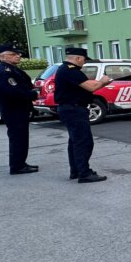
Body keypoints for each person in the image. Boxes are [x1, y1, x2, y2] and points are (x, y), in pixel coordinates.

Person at [54, 46, 112, 183]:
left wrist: (100, 83)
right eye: (84, 60)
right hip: (74, 110)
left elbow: (84, 86)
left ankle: (76, 170)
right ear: (78, 58)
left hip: (70, 108)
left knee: (75, 141)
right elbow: (91, 87)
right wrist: (103, 81)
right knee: (83, 142)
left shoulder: (66, 70)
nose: (84, 62)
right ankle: (84, 173)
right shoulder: (71, 71)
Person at [0, 42, 38, 175]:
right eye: (13, 54)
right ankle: (17, 166)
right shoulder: (4, 72)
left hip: (18, 109)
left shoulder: (11, 69)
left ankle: (20, 162)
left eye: (18, 54)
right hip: (14, 110)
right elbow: (14, 92)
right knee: (18, 138)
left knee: (21, 138)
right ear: (3, 57)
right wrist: (33, 94)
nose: (18, 56)